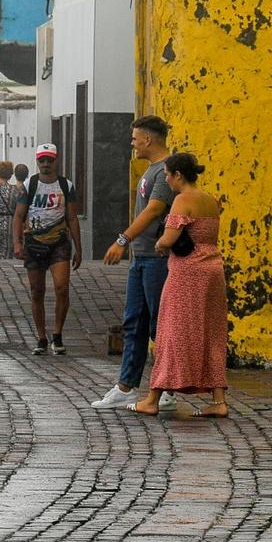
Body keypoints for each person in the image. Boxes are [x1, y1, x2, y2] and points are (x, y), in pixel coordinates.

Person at [91, 117, 177, 411]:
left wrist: (122, 240)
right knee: (134, 323)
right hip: (141, 258)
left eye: (134, 138)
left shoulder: (166, 172)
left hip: (156, 258)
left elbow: (154, 210)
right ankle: (126, 386)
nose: (132, 143)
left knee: (158, 325)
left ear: (148, 140)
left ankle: (167, 388)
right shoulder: (150, 171)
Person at [132, 152, 228, 418]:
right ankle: (219, 401)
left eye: (167, 175)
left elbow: (170, 238)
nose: (166, 179)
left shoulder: (182, 200)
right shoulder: (210, 200)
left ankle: (153, 398)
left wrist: (160, 243)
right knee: (210, 332)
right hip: (213, 271)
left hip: (187, 273)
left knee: (171, 331)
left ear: (178, 175)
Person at [14, 144, 81, 354]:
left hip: (59, 242)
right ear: (37, 161)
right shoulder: (29, 184)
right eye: (42, 160)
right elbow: (18, 215)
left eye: (49, 160)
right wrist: (17, 243)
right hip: (34, 242)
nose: (45, 164)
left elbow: (71, 217)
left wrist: (78, 247)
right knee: (37, 291)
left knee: (62, 287)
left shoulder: (65, 185)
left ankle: (57, 334)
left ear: (56, 161)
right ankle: (41, 337)